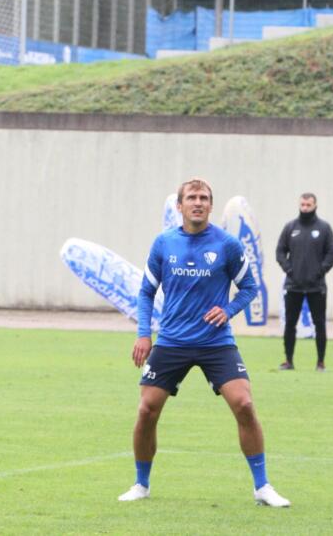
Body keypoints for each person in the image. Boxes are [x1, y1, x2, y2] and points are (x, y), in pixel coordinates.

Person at [120, 178, 291, 508]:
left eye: (204, 198)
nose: (198, 202)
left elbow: (250, 288)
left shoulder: (227, 245)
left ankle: (262, 487)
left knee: (244, 404)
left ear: (211, 206)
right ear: (179, 206)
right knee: (146, 410)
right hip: (171, 341)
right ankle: (141, 484)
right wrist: (144, 333)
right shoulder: (163, 244)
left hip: (216, 342)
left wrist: (227, 311)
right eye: (191, 197)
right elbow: (145, 292)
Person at [275, 192, 333, 372]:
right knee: (290, 324)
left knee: (320, 324)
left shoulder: (324, 228)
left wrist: (320, 271)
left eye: (308, 205)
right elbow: (280, 252)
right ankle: (288, 361)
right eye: (302, 205)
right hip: (293, 286)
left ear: (315, 206)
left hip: (316, 287)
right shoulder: (290, 227)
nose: (305, 208)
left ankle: (320, 362)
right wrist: (289, 270)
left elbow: (332, 253)